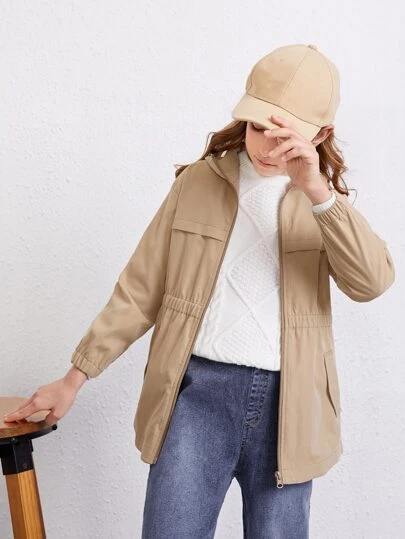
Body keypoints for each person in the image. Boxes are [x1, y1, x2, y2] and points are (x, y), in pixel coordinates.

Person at [3, 44, 395, 538]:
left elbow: (371, 282)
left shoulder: (325, 205)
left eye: (284, 137)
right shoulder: (197, 184)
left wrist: (317, 192)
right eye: (258, 128)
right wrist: (74, 378)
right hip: (195, 395)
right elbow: (139, 288)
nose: (267, 147)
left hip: (290, 406)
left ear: (320, 135)